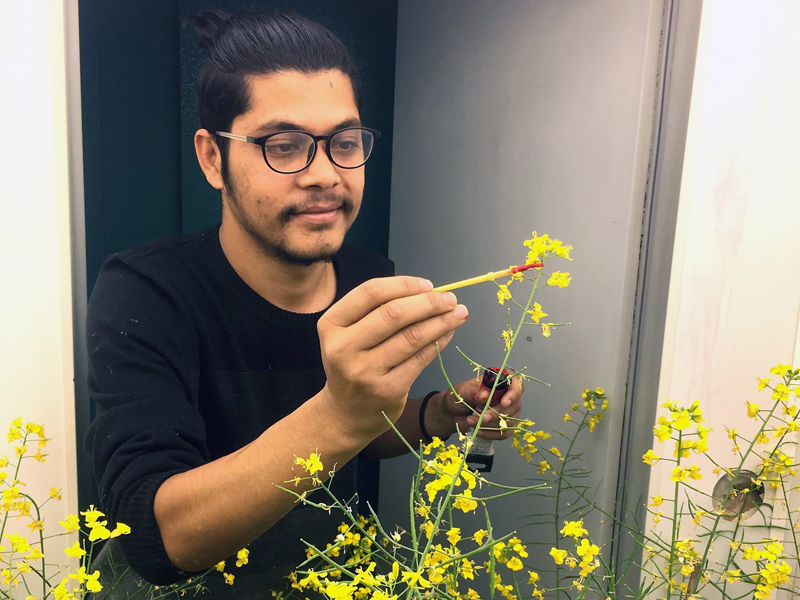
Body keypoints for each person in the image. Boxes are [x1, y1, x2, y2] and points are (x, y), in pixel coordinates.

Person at [84, 9, 523, 598]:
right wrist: (339, 413)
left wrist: (443, 413)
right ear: (213, 158)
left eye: (344, 142)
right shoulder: (148, 292)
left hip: (330, 580)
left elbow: (365, 430)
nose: (324, 175)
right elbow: (157, 540)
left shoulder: (369, 280)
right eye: (284, 146)